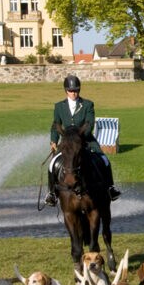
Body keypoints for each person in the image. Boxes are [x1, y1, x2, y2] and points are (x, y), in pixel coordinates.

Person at [44, 74, 121, 206]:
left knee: (105, 160)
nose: (74, 93)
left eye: (76, 90)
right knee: (52, 165)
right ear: (66, 91)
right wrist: (54, 141)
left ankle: (110, 188)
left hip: (86, 140)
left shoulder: (87, 105)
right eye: (71, 91)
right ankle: (52, 193)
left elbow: (89, 124)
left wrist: (79, 138)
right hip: (67, 143)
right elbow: (55, 125)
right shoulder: (59, 106)